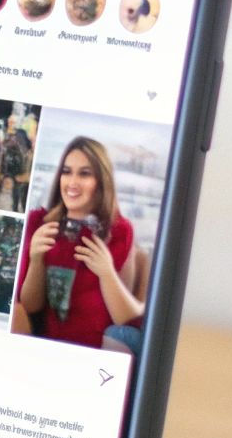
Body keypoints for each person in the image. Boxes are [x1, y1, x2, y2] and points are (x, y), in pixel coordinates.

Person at [16, 136, 143, 349]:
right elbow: (28, 306)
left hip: (96, 356)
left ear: (101, 182)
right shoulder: (39, 222)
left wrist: (106, 272)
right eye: (67, 172)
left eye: (84, 174)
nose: (72, 183)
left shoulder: (119, 231)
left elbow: (124, 321)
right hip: (47, 349)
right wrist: (36, 260)